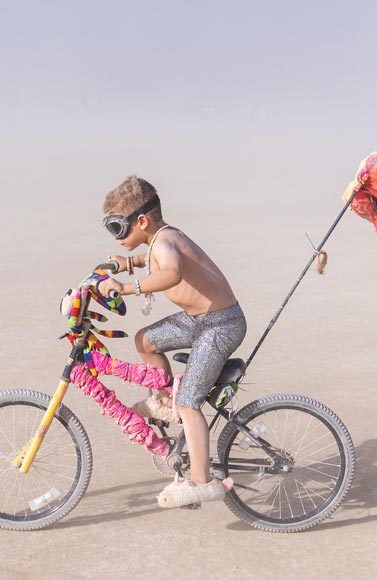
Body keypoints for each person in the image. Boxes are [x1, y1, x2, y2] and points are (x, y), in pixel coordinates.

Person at [97, 175, 247, 508]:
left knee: (190, 402)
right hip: (200, 321)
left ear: (141, 221)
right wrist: (128, 263)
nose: (116, 237)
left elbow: (173, 272)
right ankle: (164, 401)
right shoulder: (162, 238)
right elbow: (154, 258)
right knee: (145, 340)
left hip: (220, 326)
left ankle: (200, 480)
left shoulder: (164, 244)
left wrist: (126, 287)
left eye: (117, 229)